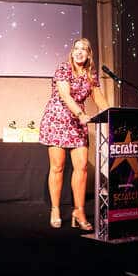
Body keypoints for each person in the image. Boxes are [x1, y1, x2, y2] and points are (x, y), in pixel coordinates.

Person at [38, 38, 109, 231]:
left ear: (89, 54)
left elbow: (99, 98)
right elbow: (65, 95)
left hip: (78, 123)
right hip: (58, 119)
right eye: (76, 48)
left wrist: (112, 114)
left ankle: (79, 211)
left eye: (83, 49)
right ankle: (55, 209)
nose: (79, 52)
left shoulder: (90, 74)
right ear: (72, 52)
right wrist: (80, 114)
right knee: (58, 167)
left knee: (82, 166)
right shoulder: (64, 69)